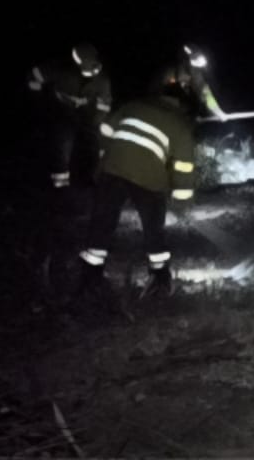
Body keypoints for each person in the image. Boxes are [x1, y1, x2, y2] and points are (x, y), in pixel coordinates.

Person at [76, 65, 200, 307]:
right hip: (148, 177)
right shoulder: (180, 124)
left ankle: (90, 276)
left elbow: (105, 131)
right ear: (182, 105)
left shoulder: (133, 105)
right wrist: (182, 202)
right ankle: (160, 279)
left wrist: (105, 158)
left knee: (102, 221)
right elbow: (184, 168)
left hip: (112, 169)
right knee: (154, 227)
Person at [27, 44, 113, 289]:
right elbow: (35, 78)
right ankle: (60, 186)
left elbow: (105, 104)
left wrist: (96, 123)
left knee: (95, 147)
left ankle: (95, 181)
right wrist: (39, 102)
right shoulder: (57, 69)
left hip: (87, 119)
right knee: (61, 147)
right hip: (61, 115)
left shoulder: (102, 81)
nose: (88, 75)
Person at [178, 44, 228, 122]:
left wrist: (219, 113)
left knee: (206, 95)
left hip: (199, 86)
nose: (200, 64)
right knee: (194, 97)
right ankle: (192, 114)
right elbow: (182, 77)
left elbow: (207, 91)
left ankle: (215, 113)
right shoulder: (186, 64)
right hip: (190, 86)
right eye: (198, 62)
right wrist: (185, 85)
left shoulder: (200, 69)